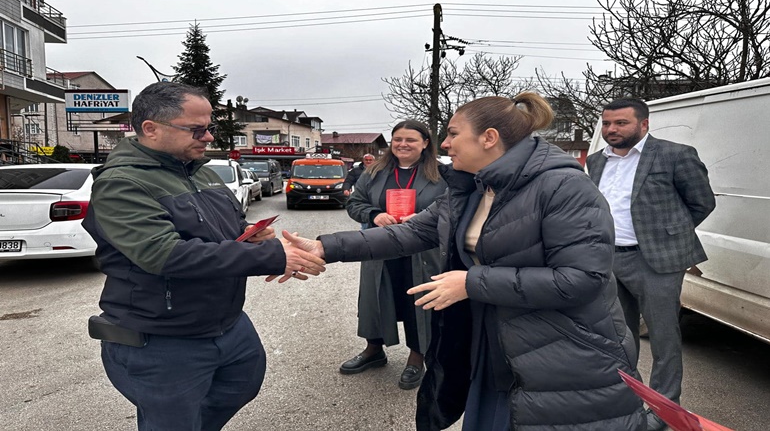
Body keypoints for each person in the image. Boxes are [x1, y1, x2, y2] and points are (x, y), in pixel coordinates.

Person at [284, 93, 646, 430]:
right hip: (496, 340)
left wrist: (470, 282)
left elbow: (582, 279)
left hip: (559, 350)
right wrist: (325, 247)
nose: (444, 144)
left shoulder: (564, 187)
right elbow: (407, 234)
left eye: (453, 133)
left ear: (488, 138)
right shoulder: (471, 187)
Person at [82, 81, 325, 431]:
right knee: (172, 422)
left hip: (226, 324)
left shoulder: (203, 173)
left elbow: (228, 230)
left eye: (208, 126)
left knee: (242, 384)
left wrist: (254, 237)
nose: (209, 137)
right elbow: (164, 254)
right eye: (196, 129)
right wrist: (271, 257)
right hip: (163, 338)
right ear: (150, 129)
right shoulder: (122, 183)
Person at [586, 97, 716, 431]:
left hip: (657, 261)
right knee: (619, 337)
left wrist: (668, 234)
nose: (612, 129)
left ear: (644, 124)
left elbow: (702, 202)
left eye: (621, 123)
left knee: (663, 339)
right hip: (611, 258)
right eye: (607, 123)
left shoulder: (675, 155)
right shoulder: (597, 161)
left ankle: (664, 412)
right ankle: (625, 402)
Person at [340, 120, 447, 390]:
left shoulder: (442, 174)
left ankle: (417, 357)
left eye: (410, 139)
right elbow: (354, 203)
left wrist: (424, 219)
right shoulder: (375, 172)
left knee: (420, 302)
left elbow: (453, 208)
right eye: (397, 139)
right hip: (380, 247)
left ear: (425, 143)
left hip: (422, 250)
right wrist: (374, 215)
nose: (402, 144)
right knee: (374, 299)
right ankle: (374, 349)